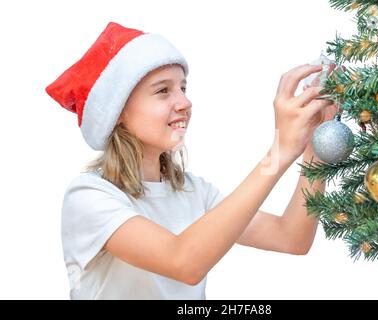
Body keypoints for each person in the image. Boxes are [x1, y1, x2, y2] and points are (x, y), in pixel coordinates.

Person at [46, 22, 337, 299]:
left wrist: (314, 144)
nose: (185, 103)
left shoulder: (194, 192)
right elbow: (184, 261)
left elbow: (290, 237)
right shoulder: (89, 197)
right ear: (118, 110)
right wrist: (280, 149)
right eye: (163, 91)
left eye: (183, 88)